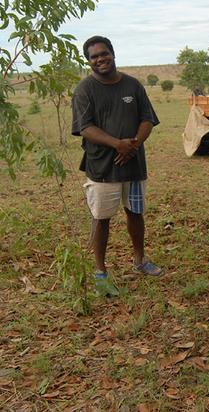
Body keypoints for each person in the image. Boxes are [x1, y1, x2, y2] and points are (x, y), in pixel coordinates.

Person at [71, 35, 163, 296]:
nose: (100, 59)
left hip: (133, 164)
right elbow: (84, 127)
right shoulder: (85, 90)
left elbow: (147, 119)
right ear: (88, 61)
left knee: (135, 212)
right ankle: (100, 272)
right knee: (101, 219)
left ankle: (140, 260)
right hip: (101, 168)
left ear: (113, 53)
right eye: (94, 57)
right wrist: (117, 144)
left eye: (104, 53)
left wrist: (132, 145)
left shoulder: (132, 85)